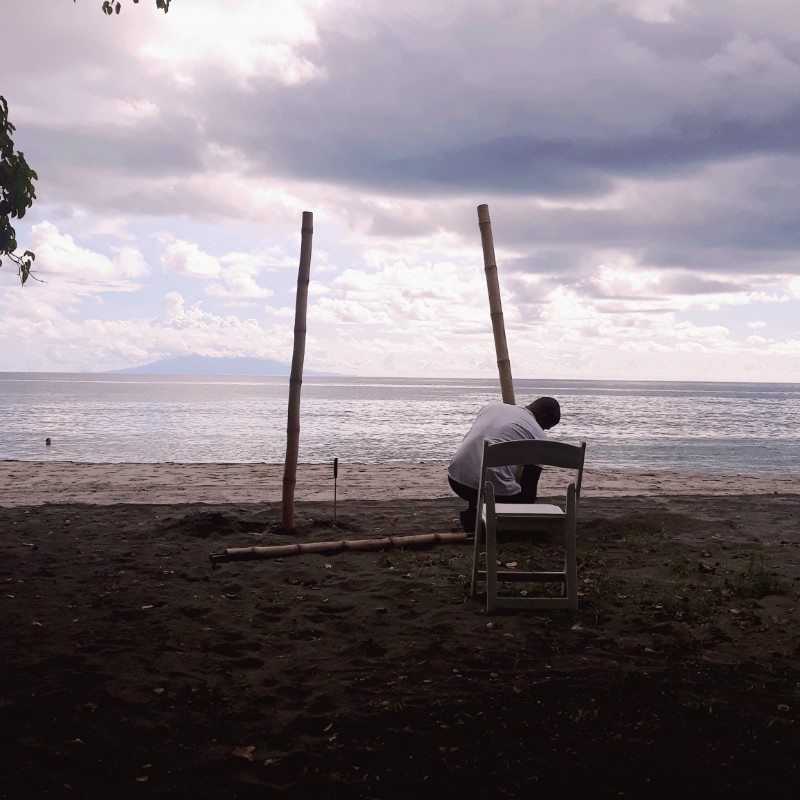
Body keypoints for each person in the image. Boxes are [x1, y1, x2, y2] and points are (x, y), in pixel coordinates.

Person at [447, 396, 561, 532]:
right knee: (517, 492)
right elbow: (529, 485)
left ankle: (474, 512)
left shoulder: (491, 407)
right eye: (547, 427)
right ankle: (486, 520)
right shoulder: (539, 436)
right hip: (493, 493)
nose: (545, 430)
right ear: (542, 418)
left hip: (456, 479)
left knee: (483, 471)